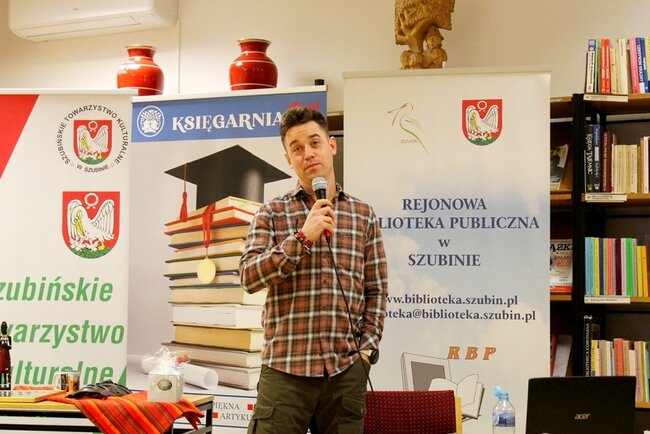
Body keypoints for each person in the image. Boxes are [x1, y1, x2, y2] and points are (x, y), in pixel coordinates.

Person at [240, 106, 388, 434]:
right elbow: (249, 277)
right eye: (297, 148)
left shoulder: (363, 215)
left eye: (314, 143)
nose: (307, 153)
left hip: (344, 373)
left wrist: (366, 351)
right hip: (284, 371)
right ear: (288, 159)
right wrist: (302, 238)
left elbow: (376, 291)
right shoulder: (271, 213)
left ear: (332, 145)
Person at [0, 321, 12, 390]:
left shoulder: (9, 337)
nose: (3, 329)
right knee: (1, 370)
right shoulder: (0, 337)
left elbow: (10, 346)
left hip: (6, 356)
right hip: (1, 356)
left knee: (6, 371)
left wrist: (5, 346)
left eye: (4, 327)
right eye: (2, 328)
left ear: (6, 328)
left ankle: (7, 384)